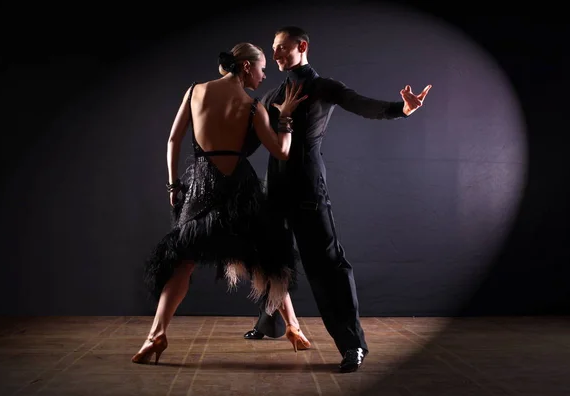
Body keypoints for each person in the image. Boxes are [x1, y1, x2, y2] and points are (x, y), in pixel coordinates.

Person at [242, 26, 432, 373]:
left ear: (302, 46)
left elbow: (361, 104)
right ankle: (268, 323)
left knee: (327, 267)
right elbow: (254, 141)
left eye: (283, 48)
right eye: (273, 50)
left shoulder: (322, 87)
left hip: (308, 188)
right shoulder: (272, 94)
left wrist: (401, 109)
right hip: (274, 189)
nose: (277, 55)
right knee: (272, 259)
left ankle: (352, 346)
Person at [132, 42, 310, 365]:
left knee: (184, 260)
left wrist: (173, 184)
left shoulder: (195, 92)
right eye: (260, 68)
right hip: (240, 188)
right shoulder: (253, 107)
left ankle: (155, 335)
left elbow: (173, 140)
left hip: (202, 185)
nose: (264, 74)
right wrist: (285, 118)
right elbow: (282, 151)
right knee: (266, 256)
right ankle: (294, 326)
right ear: (245, 67)